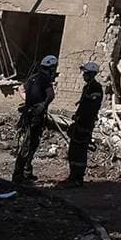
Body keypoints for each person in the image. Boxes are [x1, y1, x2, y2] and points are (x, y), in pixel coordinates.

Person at [11, 54, 59, 186]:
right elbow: (51, 95)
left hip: (27, 115)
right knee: (29, 144)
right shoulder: (44, 80)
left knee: (29, 143)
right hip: (35, 117)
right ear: (51, 68)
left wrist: (29, 102)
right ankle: (19, 174)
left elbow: (22, 89)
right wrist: (42, 106)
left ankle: (25, 171)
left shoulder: (33, 78)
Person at [61, 61, 103, 187]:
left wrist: (82, 119)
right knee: (73, 150)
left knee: (80, 151)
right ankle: (72, 175)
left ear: (92, 74)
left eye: (86, 73)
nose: (83, 75)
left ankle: (78, 178)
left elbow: (91, 108)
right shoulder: (87, 87)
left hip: (86, 124)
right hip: (80, 122)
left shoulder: (96, 88)